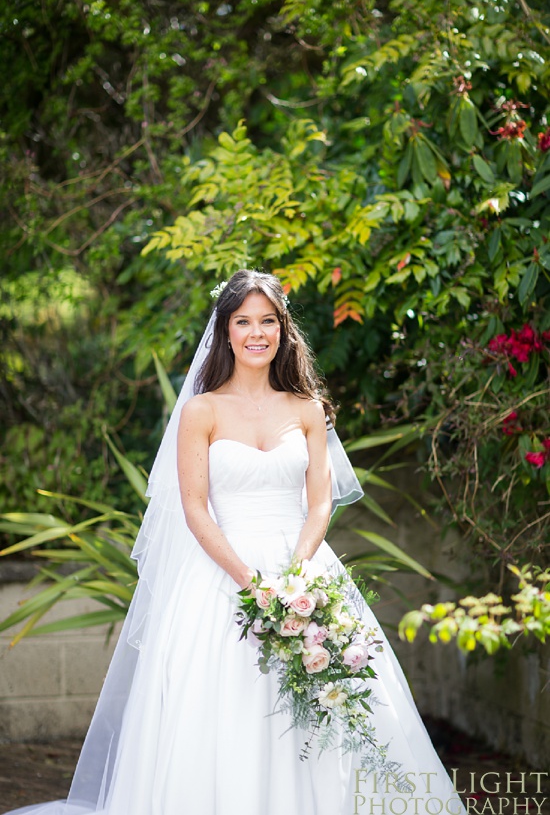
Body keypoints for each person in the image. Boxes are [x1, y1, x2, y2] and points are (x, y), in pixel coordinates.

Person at [3, 270, 464, 815]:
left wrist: (296, 575)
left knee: (334, 710)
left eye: (268, 321)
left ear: (283, 331)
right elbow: (196, 509)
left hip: (303, 569)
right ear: (225, 332)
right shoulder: (201, 411)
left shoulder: (307, 409)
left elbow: (319, 503)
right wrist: (253, 585)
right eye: (243, 321)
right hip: (219, 575)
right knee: (223, 708)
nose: (256, 333)